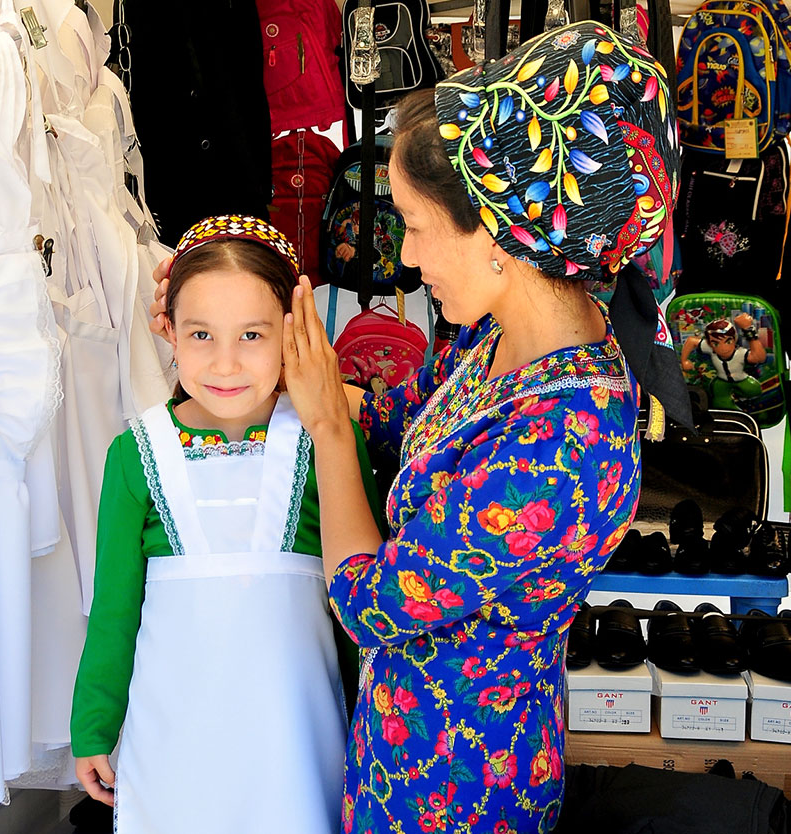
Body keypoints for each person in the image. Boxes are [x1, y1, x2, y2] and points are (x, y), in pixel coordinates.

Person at [151, 22, 691, 834]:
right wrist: (241, 331)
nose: (404, 256)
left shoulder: (567, 438)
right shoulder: (499, 333)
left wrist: (329, 431)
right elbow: (402, 415)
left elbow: (373, 602)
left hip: (462, 787)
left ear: (501, 234)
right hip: (400, 744)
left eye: (414, 222)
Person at [70, 215, 382, 834]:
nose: (226, 362)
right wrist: (93, 725)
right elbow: (113, 612)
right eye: (202, 334)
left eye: (253, 335)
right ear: (169, 331)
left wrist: (372, 730)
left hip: (299, 747)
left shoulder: (329, 441)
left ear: (292, 333)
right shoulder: (135, 454)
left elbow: (359, 606)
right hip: (175, 749)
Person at [681, 314, 765, 410]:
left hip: (741, 380)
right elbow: (691, 341)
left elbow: (759, 357)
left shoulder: (740, 353)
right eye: (716, 343)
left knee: (755, 389)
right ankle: (732, 412)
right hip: (722, 381)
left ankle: (740, 400)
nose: (723, 348)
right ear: (710, 343)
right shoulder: (710, 348)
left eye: (728, 342)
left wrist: (749, 329)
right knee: (719, 400)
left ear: (735, 340)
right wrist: (684, 360)